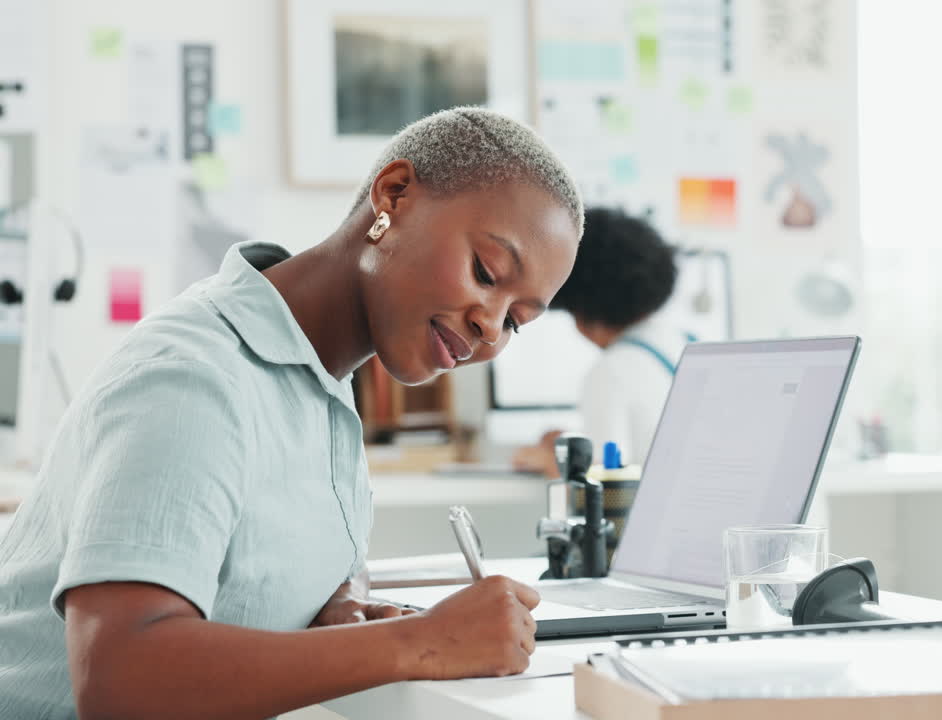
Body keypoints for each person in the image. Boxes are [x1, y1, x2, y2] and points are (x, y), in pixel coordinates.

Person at [0, 107, 583, 720]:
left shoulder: (319, 385)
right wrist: (420, 643)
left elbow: (302, 557)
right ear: (395, 194)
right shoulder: (195, 377)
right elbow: (120, 680)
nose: (490, 327)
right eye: (487, 273)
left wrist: (344, 599)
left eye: (516, 320)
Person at [513, 207, 684, 477]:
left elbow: (606, 482)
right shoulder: (680, 345)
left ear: (581, 310)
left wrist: (552, 462)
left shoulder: (611, 372)